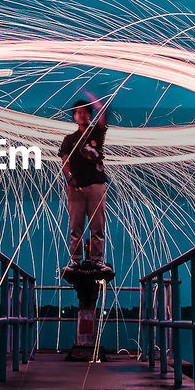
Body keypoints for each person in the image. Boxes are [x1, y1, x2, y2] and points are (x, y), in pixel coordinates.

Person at [59, 95, 111, 274]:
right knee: (76, 226)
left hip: (96, 184)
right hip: (76, 188)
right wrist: (70, 179)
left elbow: (103, 115)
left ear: (89, 115)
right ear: (74, 116)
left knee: (97, 226)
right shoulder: (69, 139)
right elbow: (65, 162)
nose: (81, 115)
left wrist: (93, 98)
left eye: (85, 112)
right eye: (78, 112)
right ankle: (75, 260)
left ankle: (97, 260)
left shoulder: (96, 133)